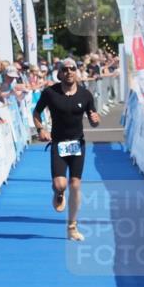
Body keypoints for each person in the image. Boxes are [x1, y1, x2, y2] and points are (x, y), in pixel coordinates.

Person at [32, 58, 100, 241]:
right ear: (59, 73)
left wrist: (96, 120)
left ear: (76, 72)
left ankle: (72, 227)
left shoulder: (85, 95)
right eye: (65, 69)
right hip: (58, 144)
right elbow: (36, 112)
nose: (69, 72)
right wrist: (41, 129)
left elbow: (94, 119)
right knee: (60, 184)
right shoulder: (50, 93)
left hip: (78, 144)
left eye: (72, 69)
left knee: (75, 185)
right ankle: (59, 192)